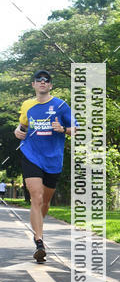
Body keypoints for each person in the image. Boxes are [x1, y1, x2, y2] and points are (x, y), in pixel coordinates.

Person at [14, 70, 76, 262]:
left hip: (53, 160)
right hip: (31, 155)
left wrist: (63, 129)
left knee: (45, 202)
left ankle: (37, 228)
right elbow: (23, 126)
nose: (42, 82)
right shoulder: (27, 105)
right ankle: (39, 241)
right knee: (36, 197)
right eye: (38, 80)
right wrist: (18, 131)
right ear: (33, 85)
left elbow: (77, 129)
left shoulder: (61, 106)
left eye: (46, 80)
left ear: (50, 85)